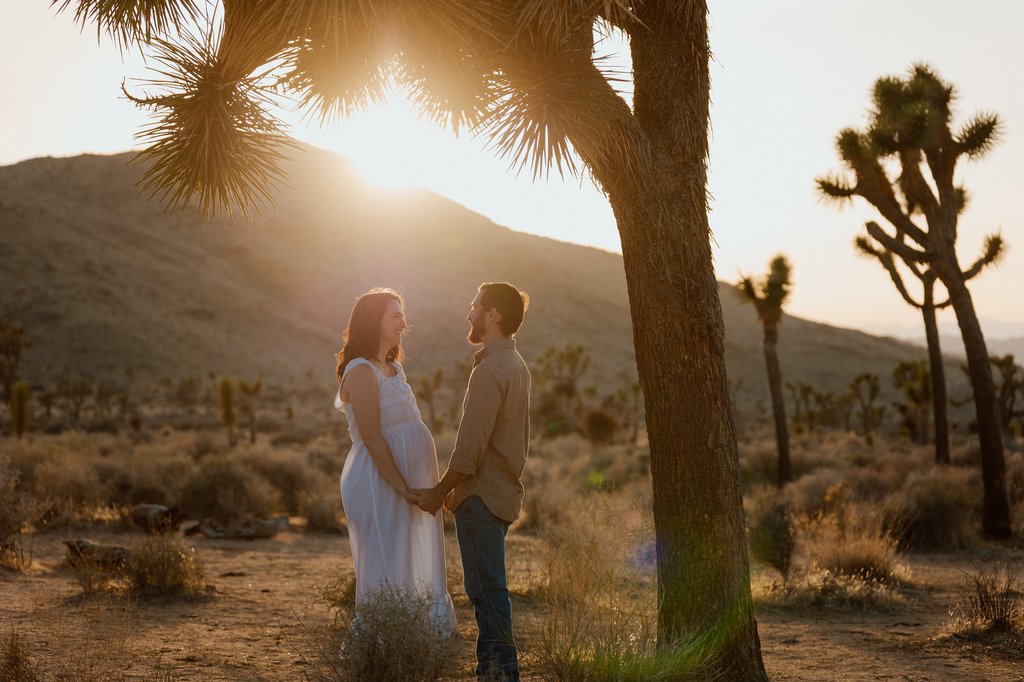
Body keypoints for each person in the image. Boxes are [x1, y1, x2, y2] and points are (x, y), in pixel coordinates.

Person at [415, 282, 531, 682]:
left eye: (474, 306)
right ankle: (492, 671)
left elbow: (470, 447)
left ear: (493, 314)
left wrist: (440, 490)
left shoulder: (491, 371)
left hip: (480, 497)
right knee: (489, 591)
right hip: (500, 494)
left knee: (487, 593)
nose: (469, 314)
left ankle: (501, 673)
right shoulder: (515, 365)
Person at [334, 288, 455, 636]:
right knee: (388, 559)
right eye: (395, 315)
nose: (404, 322)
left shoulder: (394, 368)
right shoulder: (359, 371)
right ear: (374, 320)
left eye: (403, 314)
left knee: (411, 553)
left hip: (410, 481)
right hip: (379, 480)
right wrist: (401, 486)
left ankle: (415, 635)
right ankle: (384, 642)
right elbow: (371, 436)